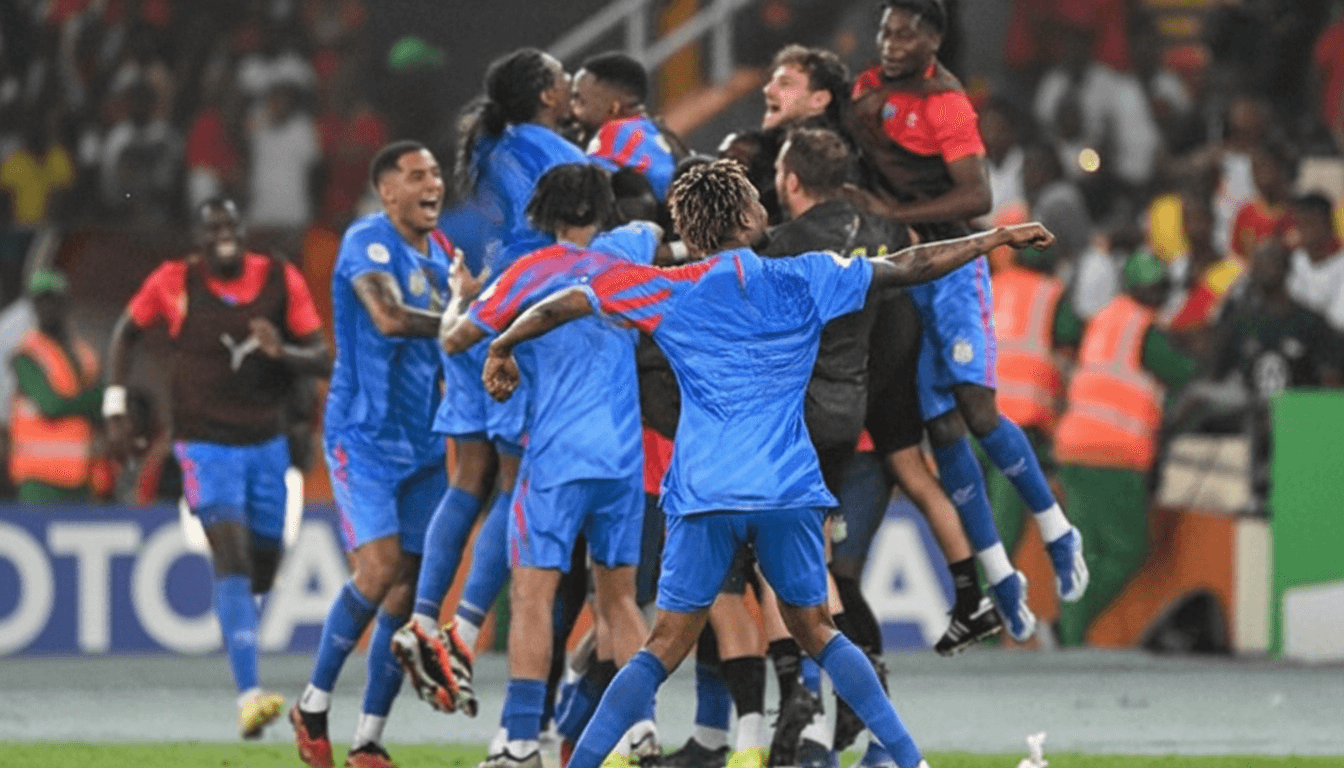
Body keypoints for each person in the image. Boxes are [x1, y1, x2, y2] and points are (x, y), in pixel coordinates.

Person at [477, 159, 1056, 768]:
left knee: (661, 647)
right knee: (818, 632)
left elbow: (569, 299)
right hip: (786, 492)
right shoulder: (804, 276)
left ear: (692, 233)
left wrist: (503, 343)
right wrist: (992, 238)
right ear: (752, 216)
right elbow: (909, 266)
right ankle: (910, 761)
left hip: (705, 498)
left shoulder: (666, 287)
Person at [844, 0, 1087, 643]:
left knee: (978, 412)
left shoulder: (947, 103)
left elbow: (977, 197)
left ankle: (1058, 532)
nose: (891, 42)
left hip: (954, 269)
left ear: (934, 38)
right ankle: (1000, 576)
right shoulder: (870, 89)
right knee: (943, 428)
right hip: (909, 273)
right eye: (885, 30)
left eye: (905, 32)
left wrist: (891, 205)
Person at [438, 163, 658, 768]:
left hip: (557, 459)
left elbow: (457, 340)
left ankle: (518, 743)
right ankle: (643, 733)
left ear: (546, 211)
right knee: (619, 603)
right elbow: (663, 237)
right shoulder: (630, 249)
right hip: (622, 463)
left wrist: (461, 299)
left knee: (533, 598)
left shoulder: (528, 272)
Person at [106, 198, 330, 737]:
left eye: (231, 225)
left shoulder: (280, 277)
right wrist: (115, 407)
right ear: (198, 240)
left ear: (243, 231)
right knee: (227, 551)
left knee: (264, 562)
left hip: (268, 443)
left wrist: (284, 355)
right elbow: (124, 333)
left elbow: (321, 356)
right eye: (213, 228)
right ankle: (250, 694)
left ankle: (237, 624)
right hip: (203, 444)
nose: (224, 235)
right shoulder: (173, 281)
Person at [422, 53, 591, 705]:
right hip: (523, 314)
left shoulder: (491, 141)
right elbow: (594, 210)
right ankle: (462, 633)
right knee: (517, 486)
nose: (569, 80)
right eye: (560, 75)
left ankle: (424, 617)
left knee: (471, 478)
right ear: (547, 92)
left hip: (478, 301)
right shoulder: (555, 149)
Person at [290, 141, 450, 768]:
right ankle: (312, 703)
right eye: (416, 176)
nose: (431, 184)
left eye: (435, 174)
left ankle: (368, 740)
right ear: (387, 191)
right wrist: (465, 316)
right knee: (378, 569)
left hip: (427, 445)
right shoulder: (367, 241)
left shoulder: (443, 257)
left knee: (404, 594)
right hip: (364, 437)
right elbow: (385, 316)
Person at [1052, 252, 1198, 647]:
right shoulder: (1145, 330)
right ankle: (1070, 628)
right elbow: (1186, 374)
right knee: (1129, 549)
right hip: (1114, 452)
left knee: (1084, 550)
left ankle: (1067, 633)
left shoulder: (1105, 319)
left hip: (1074, 446)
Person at [1210, 240, 1342, 512]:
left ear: (1286, 269)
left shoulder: (1311, 323)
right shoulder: (1241, 323)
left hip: (1304, 431)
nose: (1259, 269)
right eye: (1255, 263)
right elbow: (1214, 378)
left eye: (1268, 261)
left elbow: (1332, 384)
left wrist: (1298, 417)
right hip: (1252, 427)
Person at [9, 269, 101, 503]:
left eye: (52, 299)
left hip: (81, 477)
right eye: (40, 301)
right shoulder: (27, 355)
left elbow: (104, 407)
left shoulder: (83, 354)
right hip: (38, 481)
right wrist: (97, 398)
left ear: (65, 303)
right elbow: (52, 405)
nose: (46, 308)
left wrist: (100, 399)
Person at [571, 52, 679, 201]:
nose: (572, 109)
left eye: (581, 101)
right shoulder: (659, 132)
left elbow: (583, 194)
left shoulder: (612, 133)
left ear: (613, 106)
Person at [1285, 192, 1344, 333]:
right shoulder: (1295, 261)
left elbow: (1337, 324)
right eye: (1299, 224)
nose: (1302, 231)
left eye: (1309, 223)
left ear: (1328, 224)